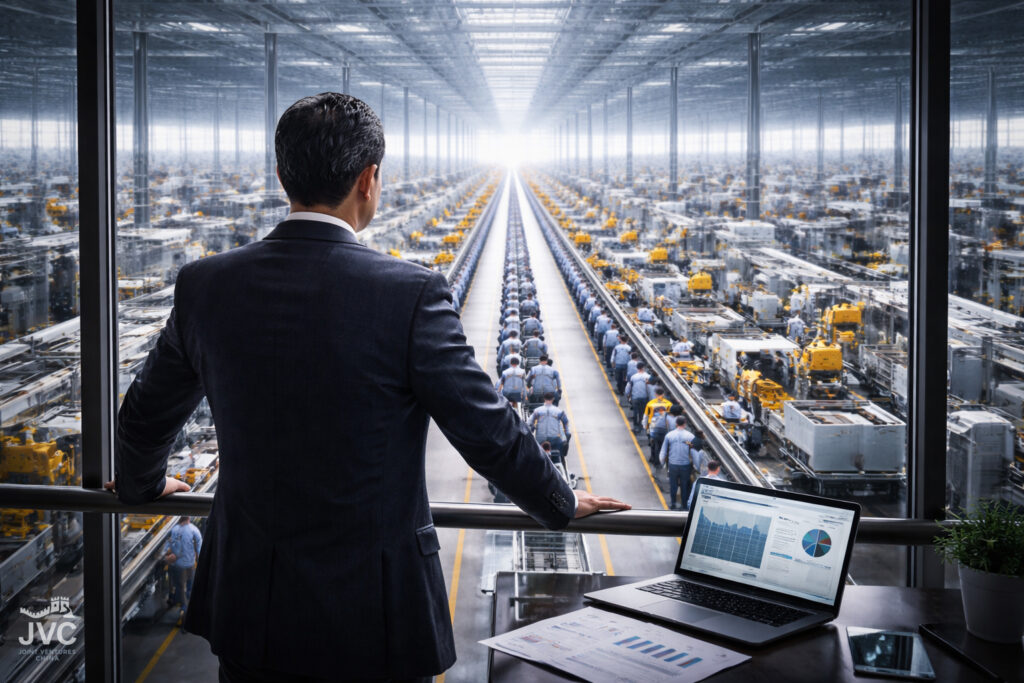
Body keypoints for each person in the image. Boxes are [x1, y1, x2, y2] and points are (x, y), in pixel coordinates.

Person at [111, 93, 629, 682]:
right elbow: (484, 428)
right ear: (369, 179)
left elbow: (144, 417)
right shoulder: (408, 293)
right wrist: (560, 500)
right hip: (375, 614)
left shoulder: (205, 285)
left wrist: (141, 485)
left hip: (252, 605)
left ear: (283, 175)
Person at [166, 516, 203, 623]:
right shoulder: (194, 530)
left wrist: (167, 557)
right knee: (190, 588)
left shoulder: (175, 530)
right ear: (189, 518)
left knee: (180, 588)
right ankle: (188, 611)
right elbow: (200, 550)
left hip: (177, 567)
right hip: (190, 565)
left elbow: (171, 548)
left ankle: (183, 608)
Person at [660, 417, 696, 510]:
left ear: (676, 423)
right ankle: (684, 506)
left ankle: (673, 504)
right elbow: (693, 452)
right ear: (685, 423)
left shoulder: (669, 435)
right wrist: (696, 465)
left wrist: (662, 462)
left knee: (673, 485)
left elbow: (663, 451)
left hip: (673, 465)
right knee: (684, 486)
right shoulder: (690, 436)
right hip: (685, 465)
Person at [529, 393, 569, 462]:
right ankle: (559, 466)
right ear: (553, 399)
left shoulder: (537, 411)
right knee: (558, 455)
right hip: (555, 438)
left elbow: (529, 422)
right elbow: (566, 422)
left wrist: (532, 428)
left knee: (538, 457)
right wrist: (566, 434)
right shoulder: (559, 411)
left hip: (540, 438)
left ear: (544, 399)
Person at [625, 361, 651, 431]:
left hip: (635, 397)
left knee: (635, 412)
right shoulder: (648, 376)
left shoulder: (633, 377)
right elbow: (649, 389)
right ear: (644, 368)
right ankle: (641, 425)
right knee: (642, 412)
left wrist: (627, 395)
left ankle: (636, 426)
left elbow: (628, 387)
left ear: (637, 368)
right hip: (644, 397)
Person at [645, 404, 671, 469]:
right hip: (661, 434)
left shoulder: (654, 417)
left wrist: (651, 436)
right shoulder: (665, 417)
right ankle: (657, 462)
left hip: (654, 434)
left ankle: (653, 459)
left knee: (654, 447)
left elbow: (651, 427)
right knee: (659, 448)